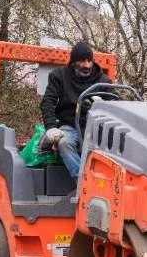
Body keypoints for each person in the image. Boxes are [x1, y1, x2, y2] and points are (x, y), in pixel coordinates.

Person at [39, 41, 112, 179]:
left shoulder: (103, 81)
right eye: (82, 61)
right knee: (64, 142)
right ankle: (83, 182)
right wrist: (51, 127)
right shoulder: (59, 76)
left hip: (96, 128)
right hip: (70, 125)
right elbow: (48, 102)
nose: (86, 65)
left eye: (89, 61)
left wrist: (103, 104)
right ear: (73, 62)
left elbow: (116, 105)